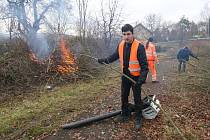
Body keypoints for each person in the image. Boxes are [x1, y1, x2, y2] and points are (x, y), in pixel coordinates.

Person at [97, 24, 148, 129]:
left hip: (136, 78)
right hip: (125, 76)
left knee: (137, 98)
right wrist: (104, 61)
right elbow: (114, 56)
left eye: (128, 34)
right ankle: (125, 114)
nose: (126, 37)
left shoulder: (139, 46)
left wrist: (141, 80)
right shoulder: (121, 45)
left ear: (132, 34)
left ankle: (138, 117)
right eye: (124, 34)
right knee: (124, 96)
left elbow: (145, 67)